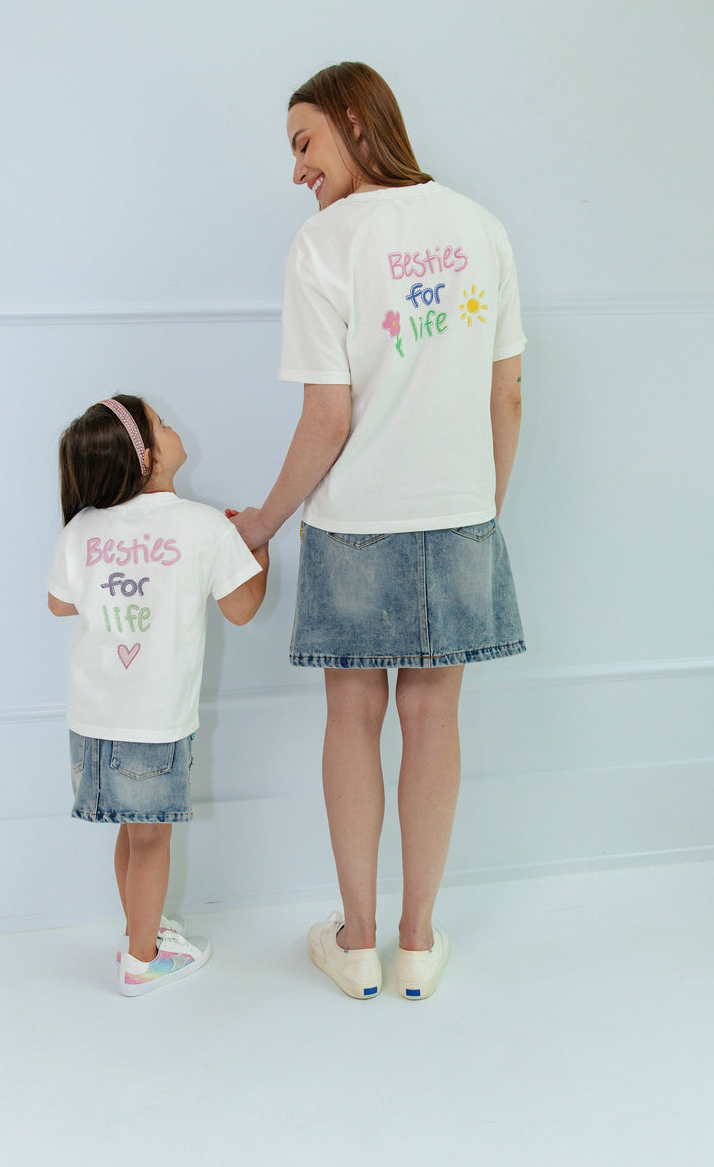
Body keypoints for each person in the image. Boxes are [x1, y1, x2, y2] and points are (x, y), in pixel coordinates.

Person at [230, 62, 527, 1001]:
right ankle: (417, 945)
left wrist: (261, 523)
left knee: (353, 719)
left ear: (356, 121)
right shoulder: (481, 228)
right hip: (459, 514)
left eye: (304, 143)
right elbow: (508, 395)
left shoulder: (324, 243)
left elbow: (327, 418)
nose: (296, 171)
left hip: (355, 522)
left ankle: (356, 945)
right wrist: (481, 507)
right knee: (434, 720)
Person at [48, 394, 268, 996]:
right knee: (151, 837)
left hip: (91, 716)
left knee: (131, 829)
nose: (174, 426)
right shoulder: (203, 525)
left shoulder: (83, 527)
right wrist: (258, 551)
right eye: (162, 423)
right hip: (154, 718)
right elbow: (244, 609)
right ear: (146, 457)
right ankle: (143, 961)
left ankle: (137, 931)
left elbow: (60, 604)